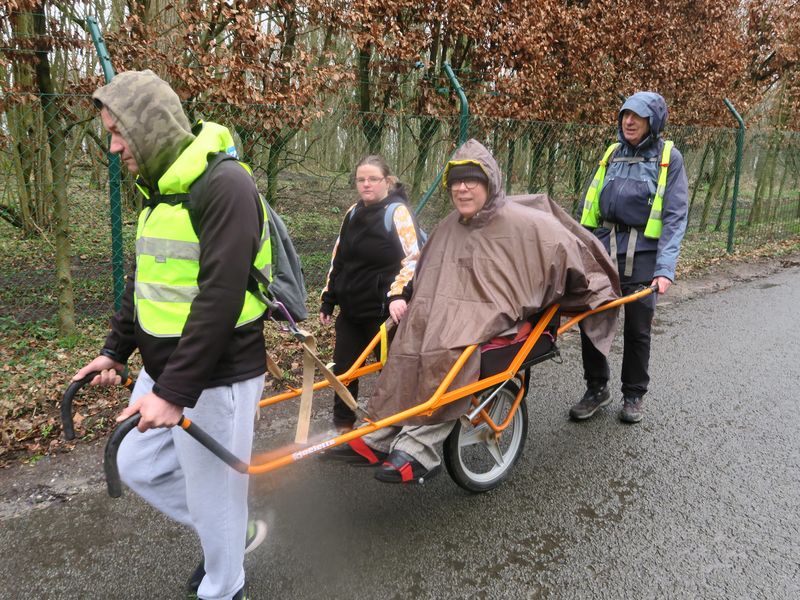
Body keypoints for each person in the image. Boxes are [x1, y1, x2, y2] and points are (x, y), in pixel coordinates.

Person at [72, 70, 268, 600]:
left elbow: (219, 300)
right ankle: (229, 529)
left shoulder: (226, 186)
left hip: (217, 377)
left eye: (118, 133)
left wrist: (173, 393)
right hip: (166, 374)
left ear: (148, 126)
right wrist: (115, 351)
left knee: (215, 498)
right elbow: (147, 283)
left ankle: (224, 583)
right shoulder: (159, 191)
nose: (113, 148)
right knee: (137, 465)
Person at [324, 139, 621, 483]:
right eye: (456, 183)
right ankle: (377, 436)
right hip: (446, 311)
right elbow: (426, 273)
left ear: (489, 183)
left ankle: (419, 451)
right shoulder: (447, 227)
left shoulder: (527, 224)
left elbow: (572, 254)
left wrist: (592, 290)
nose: (462, 188)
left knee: (451, 352)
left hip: (496, 318)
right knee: (409, 339)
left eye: (471, 181)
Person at [571, 91, 689, 423]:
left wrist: (665, 268)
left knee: (637, 329)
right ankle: (596, 388)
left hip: (644, 255)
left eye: (637, 115)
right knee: (592, 319)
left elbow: (675, 215)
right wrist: (581, 249)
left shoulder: (669, 157)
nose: (629, 121)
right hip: (604, 250)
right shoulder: (612, 153)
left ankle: (633, 394)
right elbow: (589, 206)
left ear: (654, 121)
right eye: (625, 114)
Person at [319, 156, 422, 431]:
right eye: (361, 179)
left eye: (372, 179)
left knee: (392, 374)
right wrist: (329, 298)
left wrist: (397, 295)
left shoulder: (397, 213)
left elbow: (413, 258)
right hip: (351, 310)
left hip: (382, 313)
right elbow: (338, 258)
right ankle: (342, 427)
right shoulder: (352, 213)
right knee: (344, 371)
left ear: (386, 181)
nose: (366, 184)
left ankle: (396, 427)